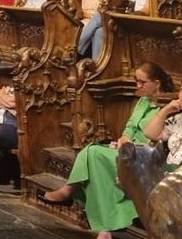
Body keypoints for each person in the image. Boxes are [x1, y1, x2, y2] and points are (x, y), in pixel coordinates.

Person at [37, 62, 174, 238]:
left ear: (157, 83)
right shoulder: (143, 101)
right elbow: (130, 126)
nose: (138, 86)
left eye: (142, 82)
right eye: (136, 82)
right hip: (127, 149)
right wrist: (124, 139)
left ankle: (70, 193)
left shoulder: (167, 107)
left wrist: (131, 146)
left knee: (93, 154)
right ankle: (104, 226)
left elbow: (156, 139)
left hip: (144, 155)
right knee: (93, 154)